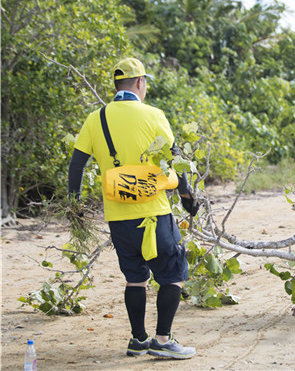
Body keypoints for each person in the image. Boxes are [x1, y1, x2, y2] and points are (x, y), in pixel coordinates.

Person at [68, 58, 199, 359]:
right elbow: (175, 160)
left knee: (135, 277)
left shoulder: (95, 118)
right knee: (172, 272)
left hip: (117, 215)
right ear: (140, 83)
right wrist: (187, 196)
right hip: (153, 212)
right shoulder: (153, 115)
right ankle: (163, 341)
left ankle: (138, 340)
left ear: (117, 85)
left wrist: (74, 206)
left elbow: (77, 165)